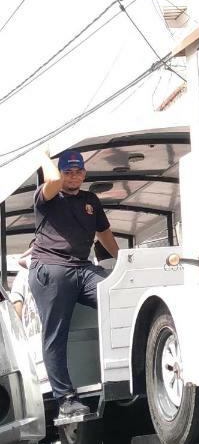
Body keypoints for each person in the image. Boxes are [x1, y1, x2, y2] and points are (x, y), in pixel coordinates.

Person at [29, 149, 119, 419]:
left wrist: (126, 260)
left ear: (85, 173)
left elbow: (103, 233)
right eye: (67, 171)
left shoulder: (90, 199)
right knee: (55, 334)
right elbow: (53, 181)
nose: (73, 176)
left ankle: (125, 371)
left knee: (118, 294)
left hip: (82, 267)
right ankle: (65, 398)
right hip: (51, 268)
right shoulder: (47, 195)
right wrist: (41, 154)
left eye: (78, 171)